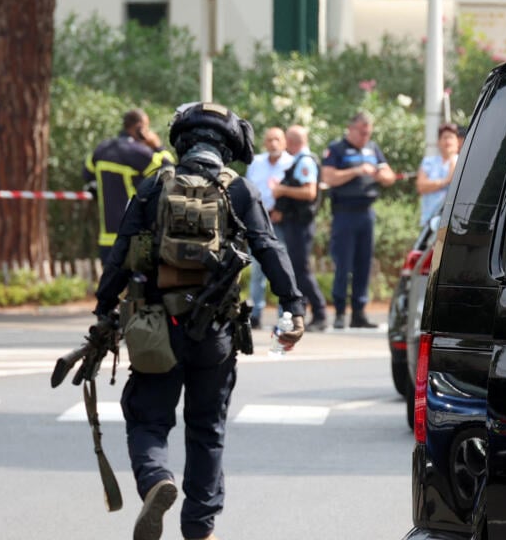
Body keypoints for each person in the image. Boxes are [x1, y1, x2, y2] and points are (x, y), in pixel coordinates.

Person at [91, 102, 307, 540]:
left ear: (183, 142)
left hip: (156, 329)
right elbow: (270, 249)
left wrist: (103, 311)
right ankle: (200, 529)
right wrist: (294, 306)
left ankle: (156, 480)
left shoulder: (154, 186)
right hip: (216, 333)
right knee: (207, 429)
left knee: (148, 419)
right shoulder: (239, 190)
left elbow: (119, 255)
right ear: (228, 148)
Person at [322, 111, 396, 329]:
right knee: (343, 264)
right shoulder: (337, 149)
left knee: (364, 264)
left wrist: (382, 176)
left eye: (368, 133)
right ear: (351, 128)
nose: (365, 136)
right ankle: (339, 312)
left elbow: (389, 176)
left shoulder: (373, 149)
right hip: (345, 213)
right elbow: (328, 177)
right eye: (362, 132)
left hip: (366, 213)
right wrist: (355, 171)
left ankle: (359, 313)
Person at [83, 108, 175, 261]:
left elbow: (87, 173)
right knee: (141, 283)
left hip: (108, 238)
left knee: (111, 284)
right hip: (138, 236)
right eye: (147, 127)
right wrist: (158, 146)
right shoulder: (138, 153)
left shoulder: (102, 149)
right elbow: (170, 170)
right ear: (139, 128)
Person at [270, 125, 329, 332]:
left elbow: (309, 193)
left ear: (292, 141)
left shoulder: (305, 162)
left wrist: (281, 189)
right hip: (294, 223)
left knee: (301, 270)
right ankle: (301, 313)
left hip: (301, 225)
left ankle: (320, 312)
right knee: (296, 269)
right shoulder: (298, 162)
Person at [243, 126, 292, 328]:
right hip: (259, 222)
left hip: (283, 223)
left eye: (277, 139)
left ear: (284, 142)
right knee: (257, 270)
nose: (273, 143)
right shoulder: (256, 163)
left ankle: (285, 314)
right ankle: (256, 313)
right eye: (270, 139)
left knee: (283, 268)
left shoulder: (291, 162)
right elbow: (248, 190)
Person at [415, 122, 462, 226]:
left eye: (451, 137)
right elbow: (421, 186)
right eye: (445, 137)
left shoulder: (461, 162)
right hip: (429, 220)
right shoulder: (429, 161)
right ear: (438, 142)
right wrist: (444, 181)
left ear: (457, 141)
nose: (448, 141)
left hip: (451, 221)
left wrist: (432, 185)